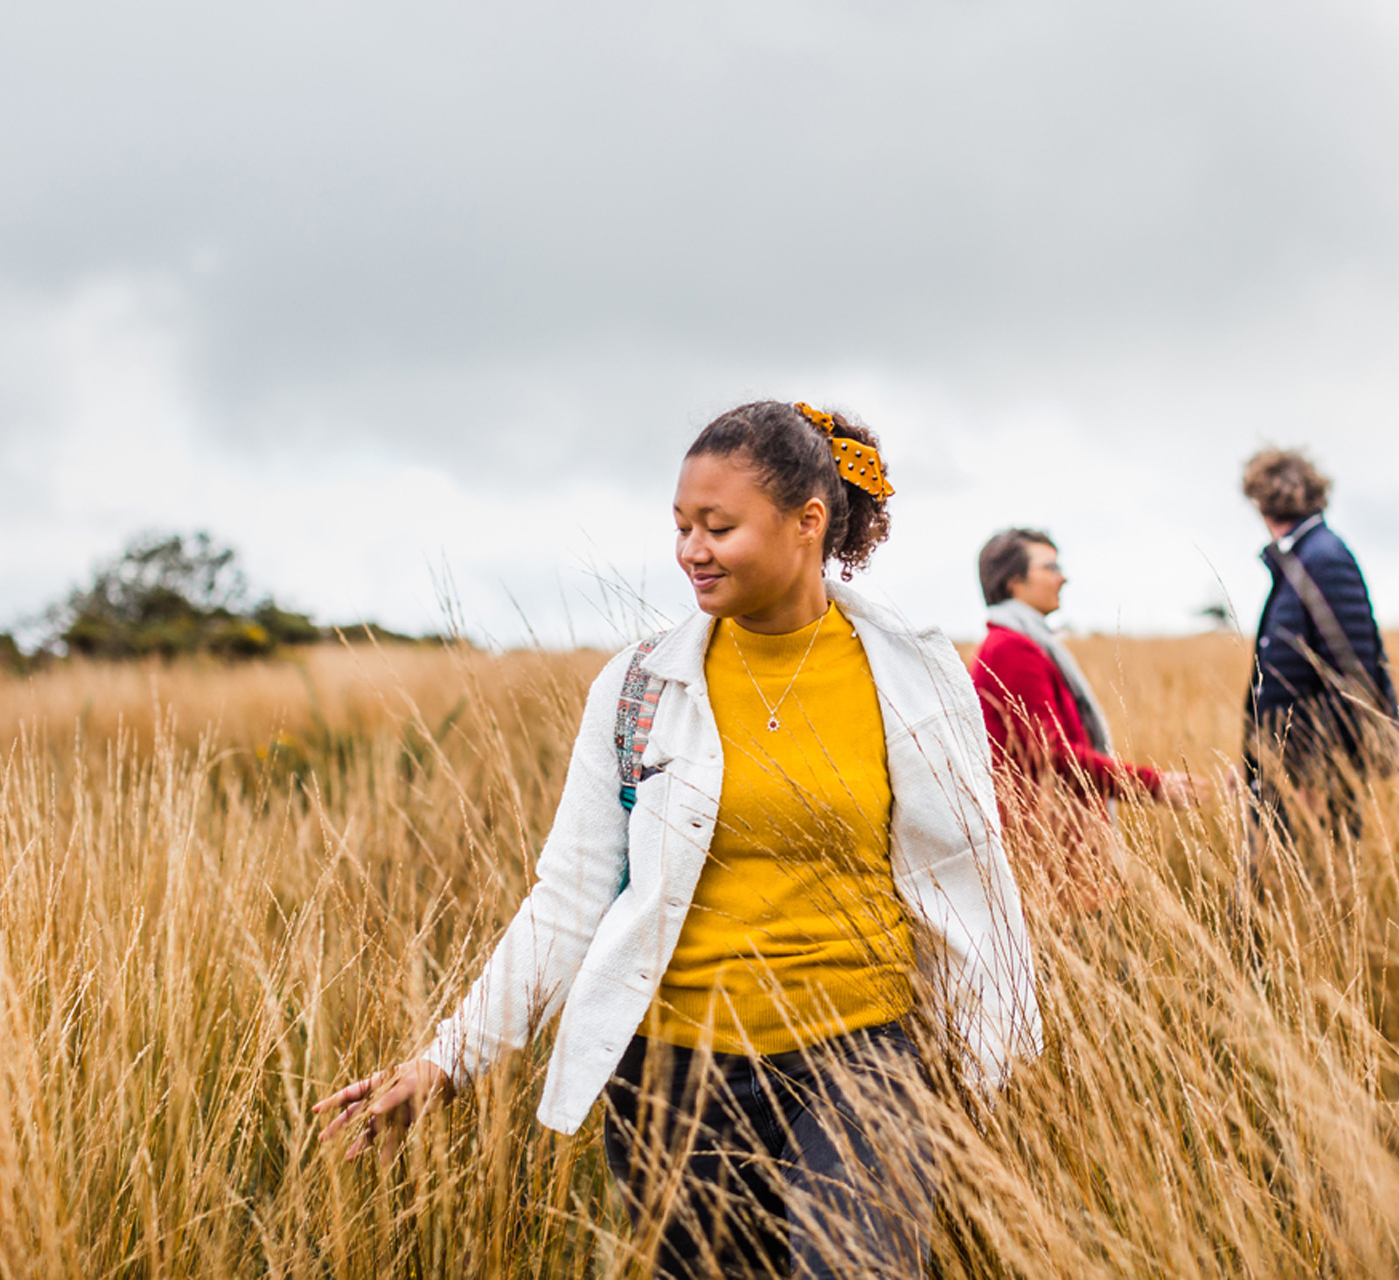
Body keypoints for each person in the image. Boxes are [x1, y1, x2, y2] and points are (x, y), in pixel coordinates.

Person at [316, 400, 1040, 1280]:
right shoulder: (640, 688)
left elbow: (975, 876)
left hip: (863, 1054)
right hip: (677, 1077)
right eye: (681, 526)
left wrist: (994, 1048)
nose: (691, 551)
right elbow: (572, 893)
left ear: (809, 523)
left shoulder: (915, 676)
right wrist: (447, 1060)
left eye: (719, 527)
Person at [970, 528, 1206, 912]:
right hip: (1048, 847)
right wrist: (1153, 785)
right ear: (1015, 582)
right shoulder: (1011, 650)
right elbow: (1053, 756)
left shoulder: (1024, 643)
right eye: (1050, 567)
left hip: (1058, 841)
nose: (1062, 577)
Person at [1239, 448, 1399, 871]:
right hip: (1286, 773)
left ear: (1258, 500)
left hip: (1310, 780)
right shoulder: (1303, 556)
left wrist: (1315, 777)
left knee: (1310, 900)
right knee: (1274, 899)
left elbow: (1352, 678)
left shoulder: (1324, 558)